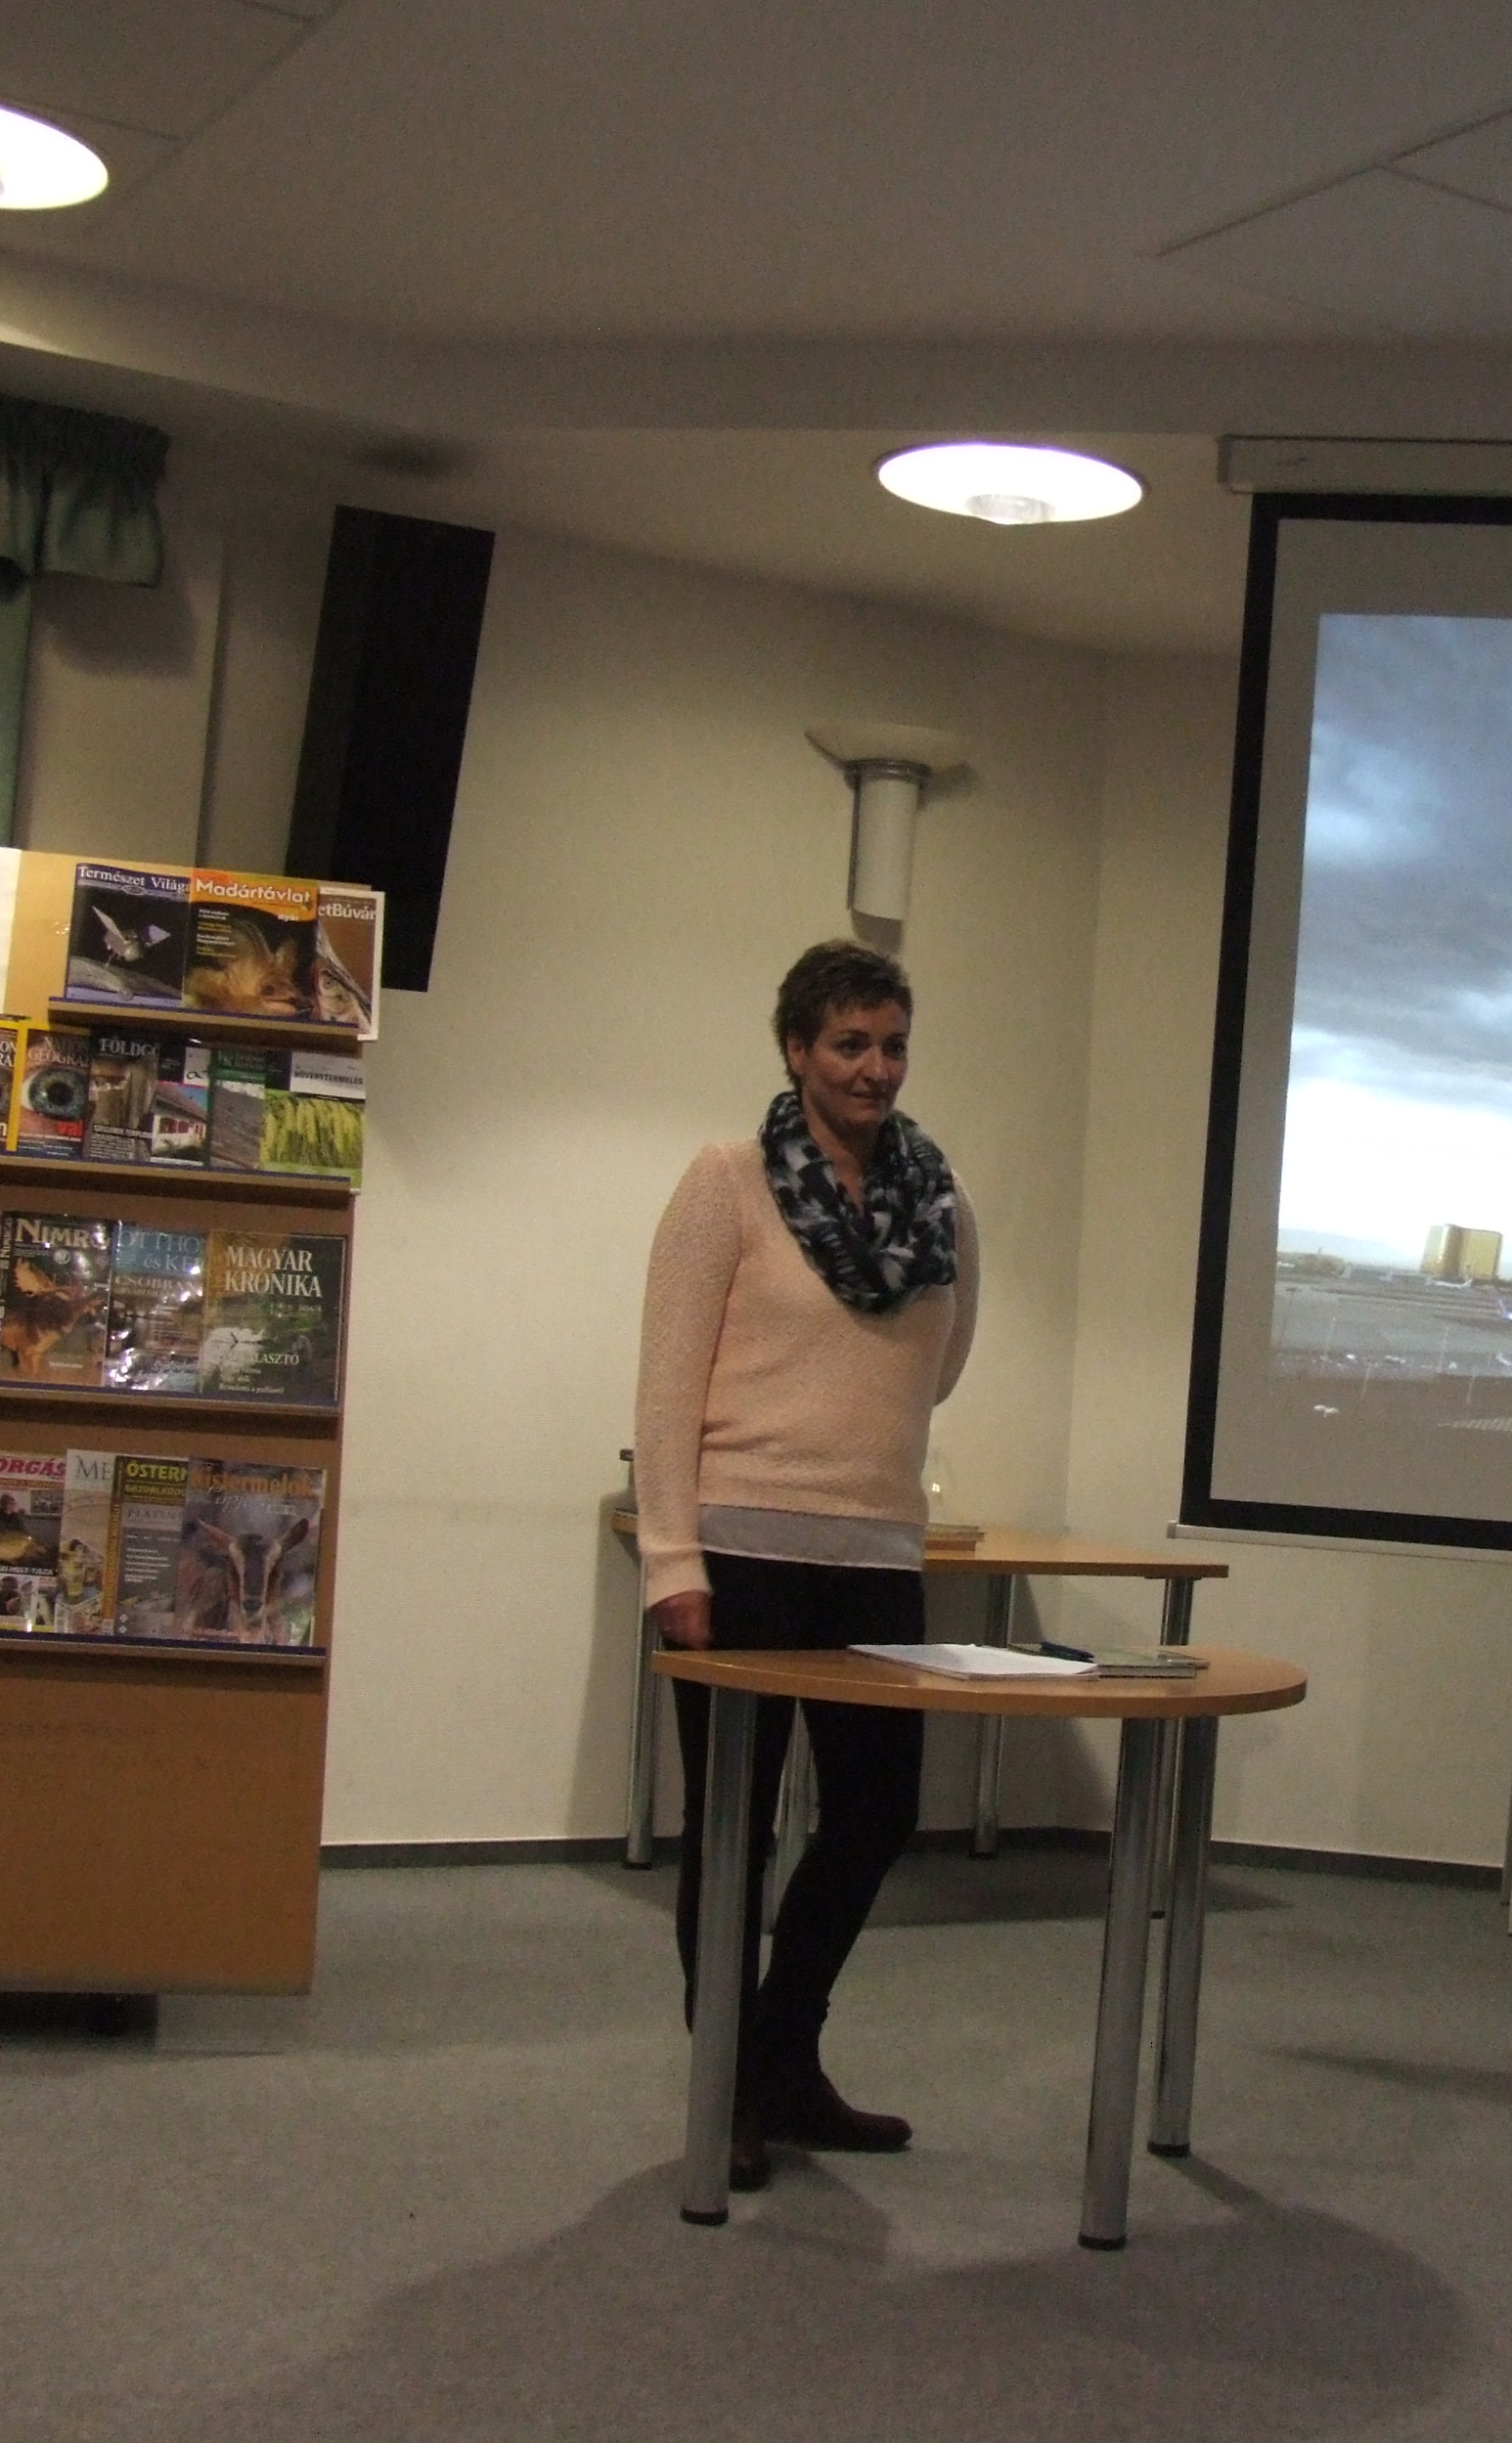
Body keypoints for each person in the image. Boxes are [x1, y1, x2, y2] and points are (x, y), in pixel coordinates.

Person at [636, 938, 978, 2191]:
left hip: (876, 1558)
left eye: (891, 1046)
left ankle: (782, 2051)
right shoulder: (725, 1183)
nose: (874, 1069)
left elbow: (940, 1366)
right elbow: (664, 1389)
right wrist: (670, 1561)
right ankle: (728, 2085)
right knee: (732, 1831)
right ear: (795, 1050)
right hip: (736, 1559)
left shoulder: (940, 1203)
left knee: (878, 1814)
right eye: (848, 1044)